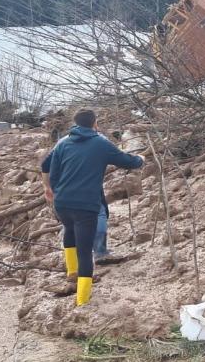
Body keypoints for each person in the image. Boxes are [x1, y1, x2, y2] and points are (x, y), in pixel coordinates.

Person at [41, 109, 143, 306]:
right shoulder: (101, 143)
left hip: (62, 202)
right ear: (95, 123)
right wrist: (141, 160)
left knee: (69, 231)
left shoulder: (63, 143)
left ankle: (72, 272)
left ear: (76, 123)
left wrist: (54, 190)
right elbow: (126, 160)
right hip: (85, 204)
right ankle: (82, 300)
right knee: (85, 251)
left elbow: (52, 171)